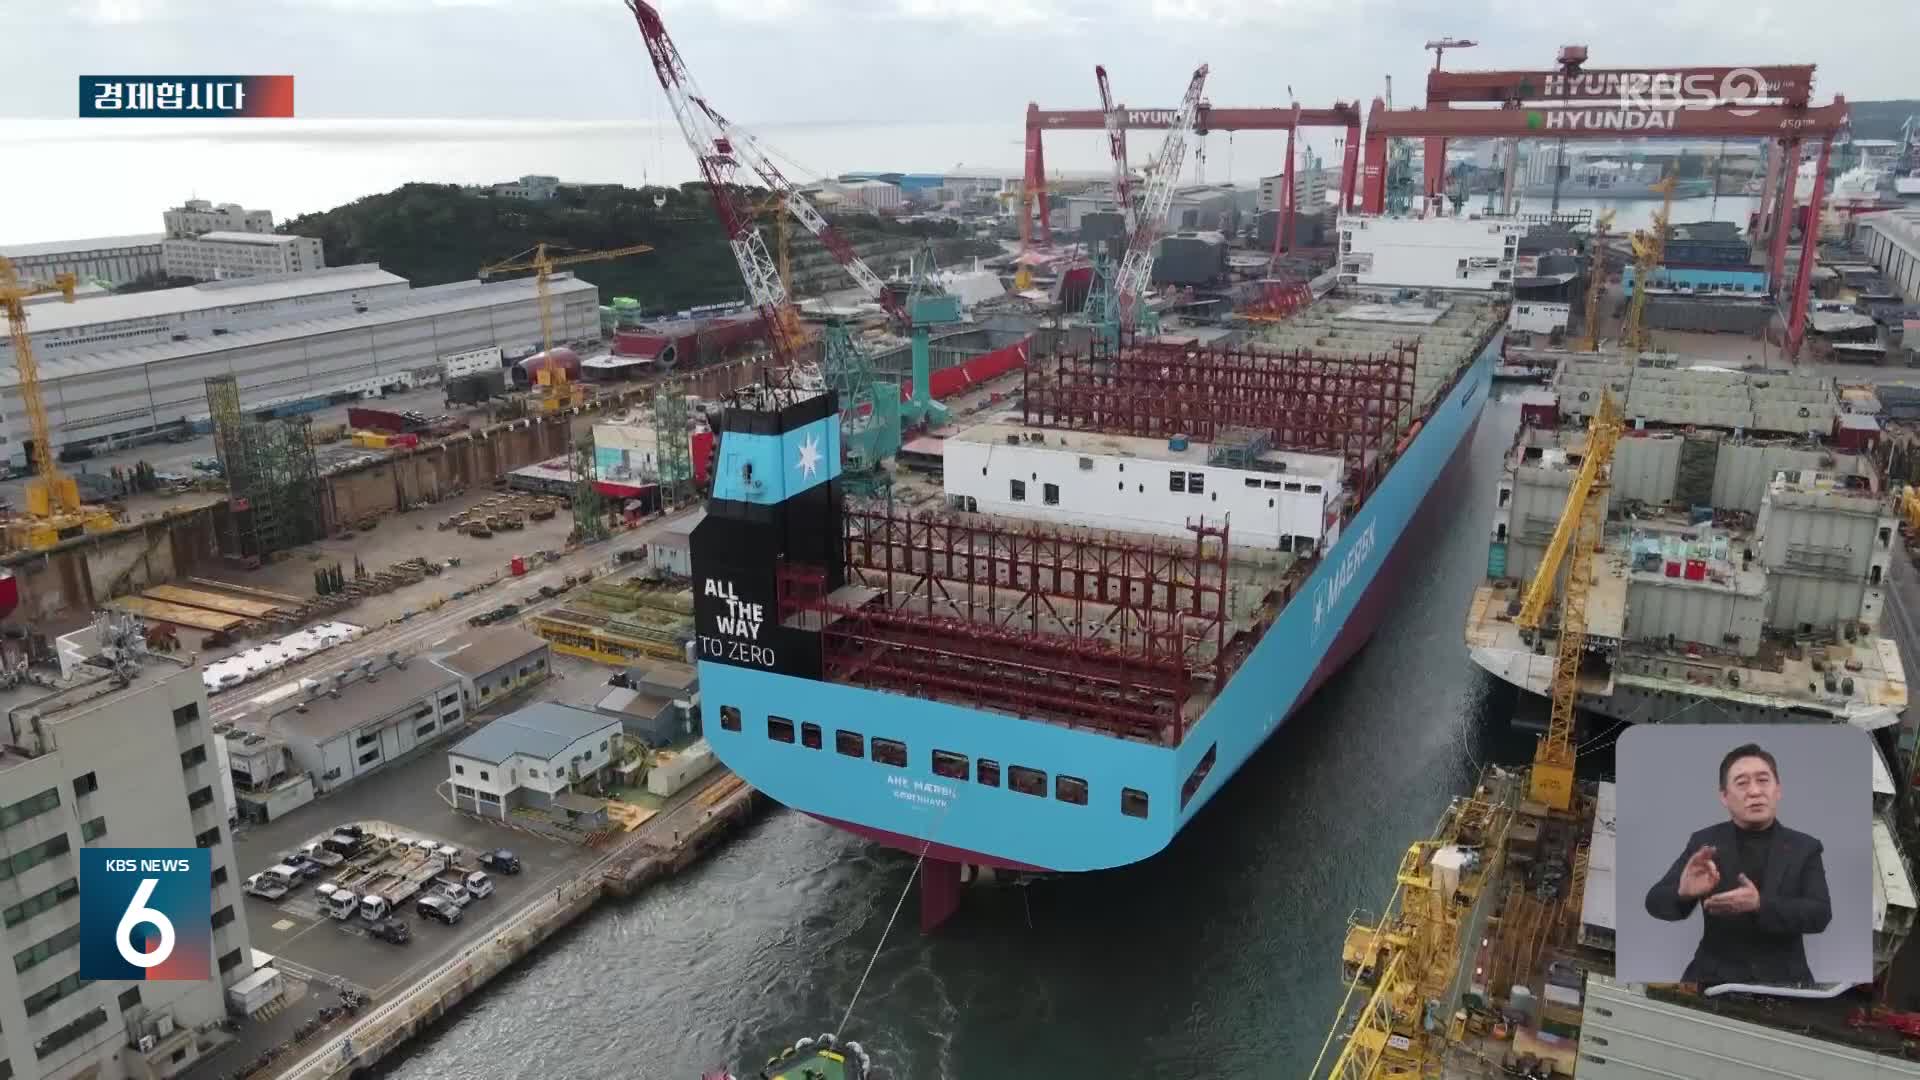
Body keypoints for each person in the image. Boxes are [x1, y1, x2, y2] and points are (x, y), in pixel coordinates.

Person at [1644, 742, 1832, 986]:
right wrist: (1683, 893)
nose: (1754, 791)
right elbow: (1654, 901)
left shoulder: (1805, 848)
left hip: (1785, 983)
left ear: (1778, 790)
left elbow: (1820, 915)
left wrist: (1760, 905)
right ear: (1724, 796)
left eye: (1763, 780)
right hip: (1712, 978)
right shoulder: (1705, 842)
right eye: (1742, 783)